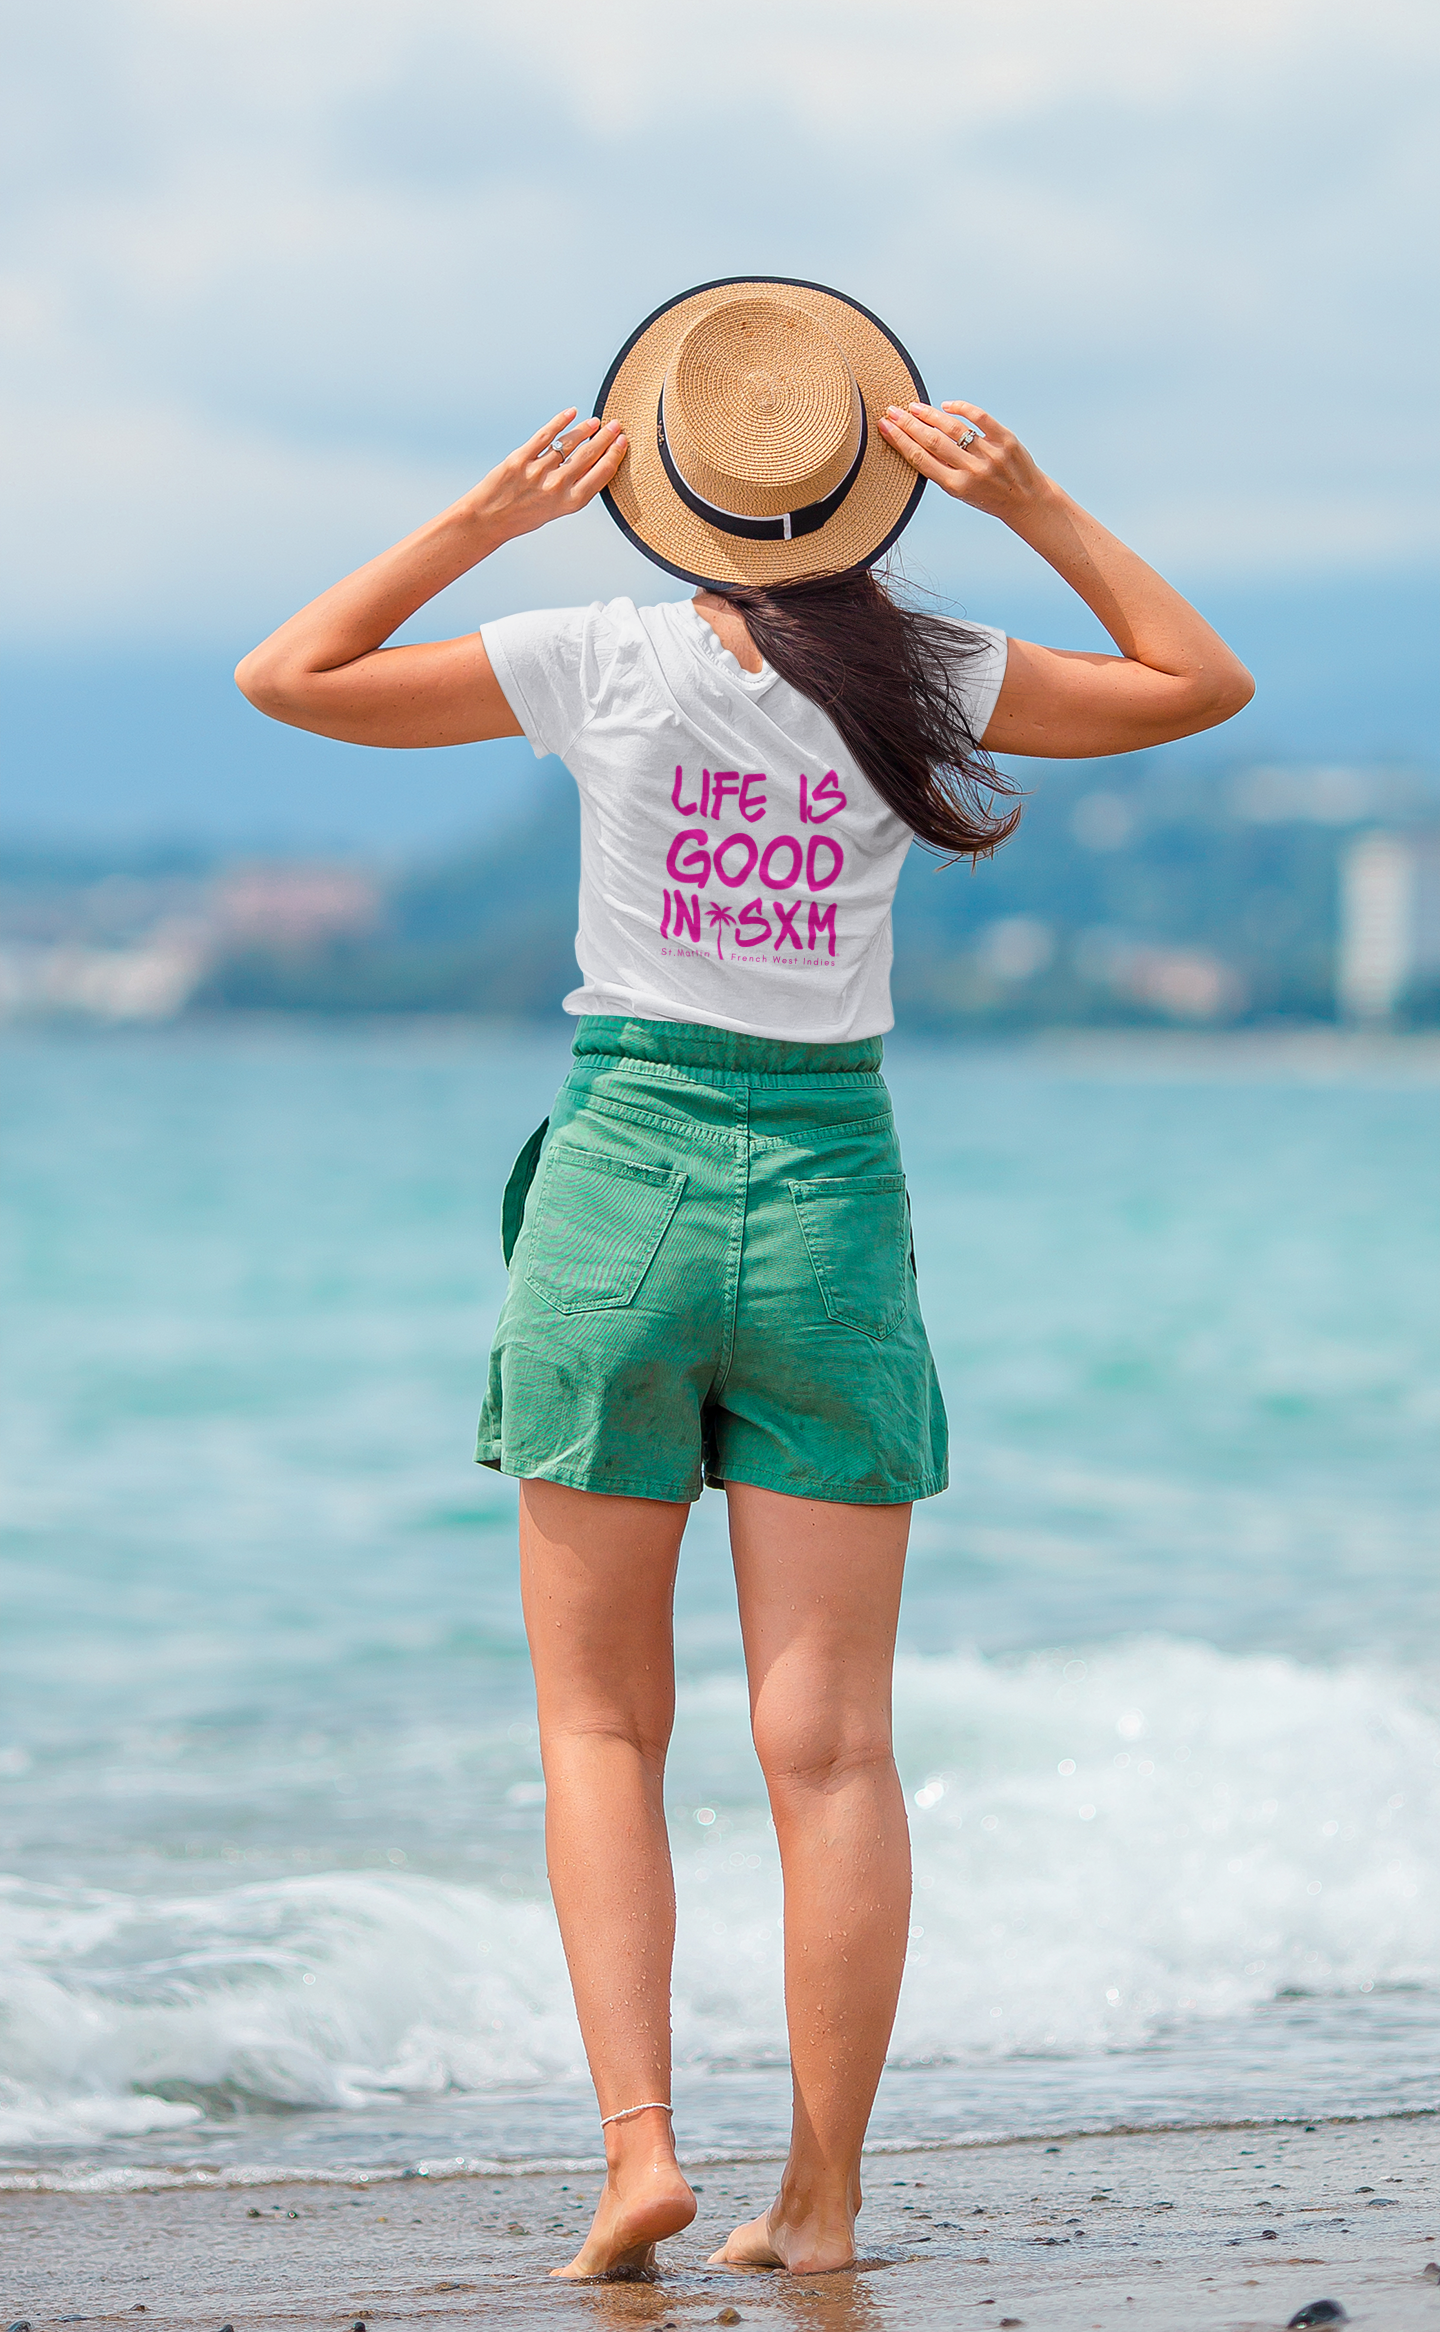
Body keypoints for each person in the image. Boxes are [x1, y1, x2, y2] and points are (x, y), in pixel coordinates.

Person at [236, 278, 1253, 2281]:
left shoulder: (595, 655)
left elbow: (292, 672)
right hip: (826, 1193)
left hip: (620, 1184)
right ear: (866, 482)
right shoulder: (936, 664)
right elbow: (1195, 679)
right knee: (837, 1747)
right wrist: (1035, 496)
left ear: (668, 485)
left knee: (602, 1728)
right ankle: (823, 2191)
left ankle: (636, 2150)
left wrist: (488, 518)